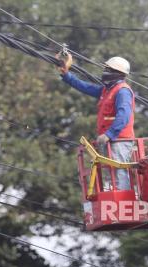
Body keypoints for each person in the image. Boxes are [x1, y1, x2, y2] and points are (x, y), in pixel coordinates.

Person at [56, 53, 135, 191]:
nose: (105, 73)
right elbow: (85, 87)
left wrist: (109, 134)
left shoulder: (122, 91)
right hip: (107, 139)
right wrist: (66, 75)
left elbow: (124, 114)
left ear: (118, 73)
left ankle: (122, 201)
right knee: (109, 173)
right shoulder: (107, 90)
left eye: (108, 70)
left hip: (119, 140)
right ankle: (112, 198)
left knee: (118, 171)